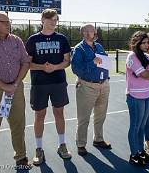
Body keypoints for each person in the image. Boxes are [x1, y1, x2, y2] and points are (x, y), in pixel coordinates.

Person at [0, 12, 32, 172]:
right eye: (5, 22)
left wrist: (15, 83)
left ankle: (21, 157)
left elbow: (25, 62)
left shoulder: (16, 40)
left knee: (18, 124)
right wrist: (4, 86)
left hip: (15, 89)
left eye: (9, 21)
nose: (9, 24)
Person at [25, 9, 72, 165]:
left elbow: (67, 61)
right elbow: (28, 64)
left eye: (56, 19)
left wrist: (55, 67)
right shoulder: (33, 40)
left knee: (59, 113)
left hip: (58, 82)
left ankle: (62, 145)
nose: (54, 21)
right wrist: (42, 67)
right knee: (39, 115)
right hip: (39, 84)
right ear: (42, 20)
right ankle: (39, 149)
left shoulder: (62, 38)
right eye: (51, 18)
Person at [71, 24, 111, 157]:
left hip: (103, 85)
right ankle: (81, 144)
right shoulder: (79, 49)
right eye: (86, 31)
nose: (89, 33)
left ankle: (98, 139)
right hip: (87, 86)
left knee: (101, 115)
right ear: (82, 33)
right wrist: (92, 62)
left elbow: (104, 62)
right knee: (84, 118)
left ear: (95, 33)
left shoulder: (99, 46)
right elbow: (76, 69)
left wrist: (106, 76)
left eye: (91, 31)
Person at [126, 31, 149, 165]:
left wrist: (147, 73)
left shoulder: (148, 56)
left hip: (148, 95)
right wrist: (147, 74)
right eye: (144, 43)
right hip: (135, 96)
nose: (147, 45)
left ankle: (141, 152)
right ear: (137, 43)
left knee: (142, 126)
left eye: (147, 42)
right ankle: (134, 155)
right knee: (135, 126)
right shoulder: (132, 56)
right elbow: (147, 75)